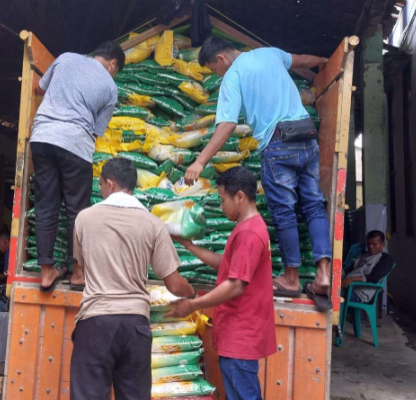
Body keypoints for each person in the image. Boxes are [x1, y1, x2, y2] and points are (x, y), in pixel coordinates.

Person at [187, 36, 333, 310]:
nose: (216, 74)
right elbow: (303, 60)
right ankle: (324, 273)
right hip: (306, 137)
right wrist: (328, 62)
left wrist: (200, 162)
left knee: (285, 212)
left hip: (278, 145)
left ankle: (291, 277)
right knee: (313, 205)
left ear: (221, 59)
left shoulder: (233, 76)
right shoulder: (269, 53)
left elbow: (227, 125)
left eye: (212, 69)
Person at [70, 158, 195, 400]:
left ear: (110, 184)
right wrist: (192, 293)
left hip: (95, 323)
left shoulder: (84, 218)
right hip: (135, 327)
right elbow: (174, 283)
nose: (100, 190)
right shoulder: (153, 224)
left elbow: (79, 274)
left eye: (101, 185)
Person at [165, 166, 276, 400]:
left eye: (223, 199)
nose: (221, 205)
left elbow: (236, 284)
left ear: (240, 197)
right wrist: (189, 245)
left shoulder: (249, 234)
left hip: (241, 335)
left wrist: (193, 305)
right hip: (239, 333)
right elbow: (226, 265)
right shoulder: (247, 227)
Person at [30, 41, 125, 292]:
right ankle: (78, 273)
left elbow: (39, 88)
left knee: (46, 205)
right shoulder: (110, 87)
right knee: (77, 211)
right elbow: (95, 131)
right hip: (75, 144)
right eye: (116, 70)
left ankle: (47, 272)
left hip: (42, 137)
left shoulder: (66, 56)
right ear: (113, 63)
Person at [342, 231, 394, 303]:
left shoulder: (385, 259)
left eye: (374, 244)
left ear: (383, 245)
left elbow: (374, 277)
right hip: (347, 286)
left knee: (331, 293)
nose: (370, 247)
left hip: (359, 293)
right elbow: (351, 269)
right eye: (369, 244)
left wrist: (351, 279)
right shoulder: (364, 256)